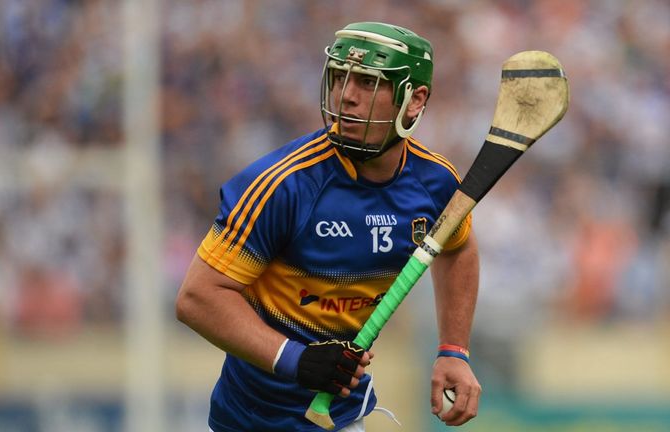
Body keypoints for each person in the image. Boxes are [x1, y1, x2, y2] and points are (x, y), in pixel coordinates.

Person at [176, 21, 481, 431]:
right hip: (251, 418)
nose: (347, 96)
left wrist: (454, 350)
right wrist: (296, 359)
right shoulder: (284, 185)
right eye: (340, 78)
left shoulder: (436, 183)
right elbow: (197, 297)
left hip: (340, 416)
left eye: (368, 83)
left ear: (415, 100)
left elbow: (458, 248)